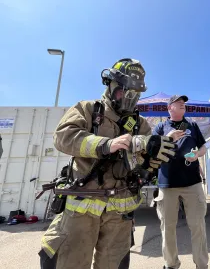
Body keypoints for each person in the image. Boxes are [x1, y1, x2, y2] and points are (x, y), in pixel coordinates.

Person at [38, 58, 175, 269]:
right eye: (123, 91)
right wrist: (105, 144)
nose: (129, 99)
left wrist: (153, 153)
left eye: (134, 95)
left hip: (120, 213)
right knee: (69, 262)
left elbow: (147, 165)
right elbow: (63, 137)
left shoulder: (140, 125)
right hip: (81, 208)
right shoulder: (89, 109)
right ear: (110, 85)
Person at [153, 95, 209, 269]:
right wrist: (168, 138)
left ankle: (201, 265)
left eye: (183, 103)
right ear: (170, 108)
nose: (182, 104)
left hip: (192, 183)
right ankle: (171, 264)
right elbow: (151, 151)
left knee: (198, 226)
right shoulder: (161, 127)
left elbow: (203, 147)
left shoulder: (192, 125)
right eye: (178, 103)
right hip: (167, 185)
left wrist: (197, 155)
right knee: (167, 228)